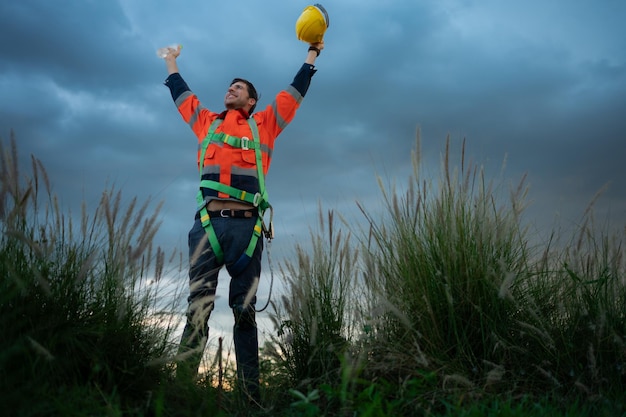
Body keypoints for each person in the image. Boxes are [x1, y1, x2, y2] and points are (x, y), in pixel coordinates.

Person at [161, 40, 324, 402]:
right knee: (197, 311)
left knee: (245, 315)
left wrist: (312, 54)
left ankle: (251, 399)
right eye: (229, 86)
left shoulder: (264, 125)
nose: (230, 89)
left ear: (251, 102)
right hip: (206, 228)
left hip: (246, 231)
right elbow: (182, 96)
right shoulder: (206, 123)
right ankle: (181, 394)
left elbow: (293, 94)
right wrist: (171, 62)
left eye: (239, 88)